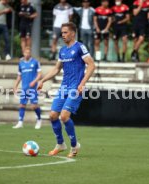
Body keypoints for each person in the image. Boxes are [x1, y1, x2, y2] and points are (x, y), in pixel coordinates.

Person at [37, 22, 95, 158]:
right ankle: (60, 144)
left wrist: (82, 83)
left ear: (73, 33)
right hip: (64, 86)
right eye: (62, 32)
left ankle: (74, 145)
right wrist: (43, 80)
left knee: (64, 116)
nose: (62, 35)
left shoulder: (80, 47)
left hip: (76, 87)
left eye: (65, 32)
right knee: (52, 116)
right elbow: (57, 69)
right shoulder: (62, 50)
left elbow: (91, 65)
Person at [13, 47, 42, 129]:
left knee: (34, 106)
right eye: (26, 52)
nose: (27, 54)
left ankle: (39, 120)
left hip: (33, 88)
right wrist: (15, 86)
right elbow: (19, 76)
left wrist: (35, 81)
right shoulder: (21, 63)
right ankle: (20, 122)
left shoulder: (35, 62)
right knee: (22, 105)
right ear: (23, 53)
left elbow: (40, 74)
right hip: (24, 88)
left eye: (29, 52)